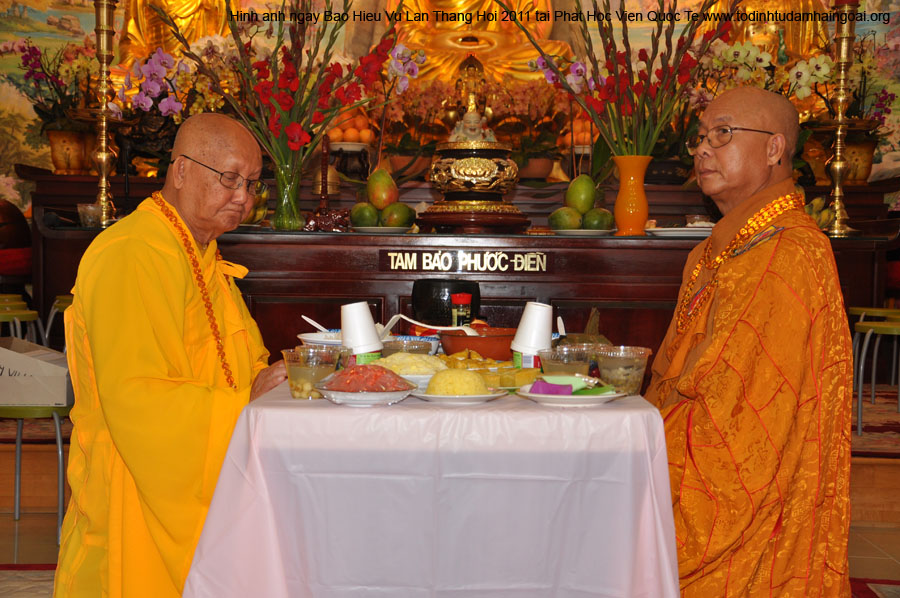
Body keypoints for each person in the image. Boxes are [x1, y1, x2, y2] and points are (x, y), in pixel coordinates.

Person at [54, 113, 287, 597]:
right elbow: (137, 400)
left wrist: (277, 385)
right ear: (180, 171)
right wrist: (243, 405)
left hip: (202, 483)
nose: (242, 197)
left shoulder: (202, 256)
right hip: (135, 499)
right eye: (229, 178)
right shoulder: (132, 253)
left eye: (251, 184)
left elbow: (244, 361)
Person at [645, 87, 852, 596]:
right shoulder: (715, 251)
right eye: (700, 137)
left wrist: (632, 442)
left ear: (775, 148)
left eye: (723, 134)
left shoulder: (788, 254)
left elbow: (739, 415)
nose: (702, 148)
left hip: (738, 491)